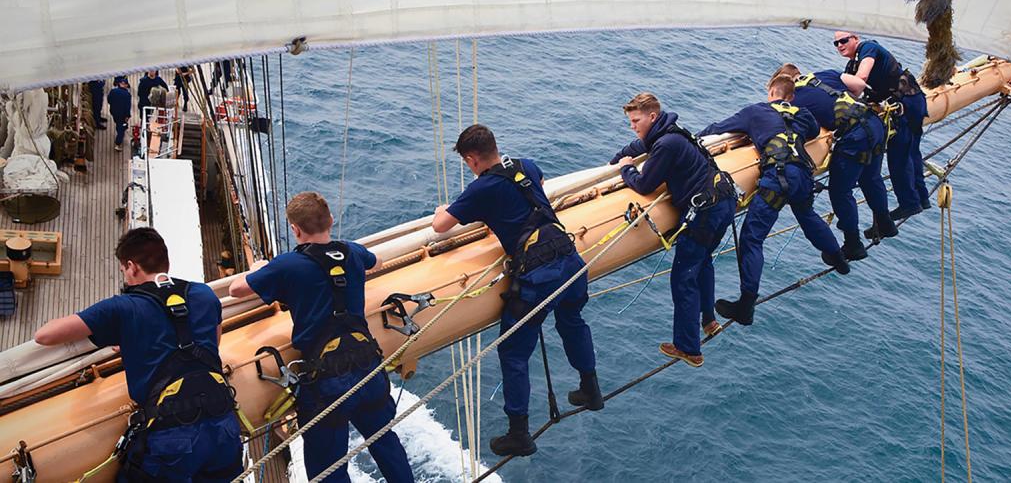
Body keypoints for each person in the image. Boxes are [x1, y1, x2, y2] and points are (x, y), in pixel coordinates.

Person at [433, 124, 603, 457]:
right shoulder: (527, 165)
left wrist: (443, 211)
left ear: (472, 159)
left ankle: (519, 433)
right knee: (572, 322)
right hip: (570, 259)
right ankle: (591, 389)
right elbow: (535, 193)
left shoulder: (482, 189)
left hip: (538, 276)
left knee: (513, 352)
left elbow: (441, 226)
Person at [229, 192, 415, 483]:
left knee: (329, 467)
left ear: (295, 230)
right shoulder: (352, 252)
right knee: (385, 442)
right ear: (330, 220)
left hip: (328, 382)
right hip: (369, 368)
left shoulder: (288, 266)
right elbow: (376, 262)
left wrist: (259, 269)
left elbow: (236, 291)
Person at [34, 228, 243, 481]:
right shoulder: (204, 294)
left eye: (124, 270)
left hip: (172, 439)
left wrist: (128, 336)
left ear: (131, 267)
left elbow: (45, 336)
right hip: (224, 428)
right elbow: (211, 345)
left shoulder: (123, 308)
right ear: (167, 261)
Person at [696, 75, 850, 325]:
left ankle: (746, 306)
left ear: (771, 92)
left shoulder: (754, 112)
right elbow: (811, 131)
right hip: (802, 174)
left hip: (776, 177)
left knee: (751, 238)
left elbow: (717, 128)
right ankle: (838, 258)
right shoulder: (803, 114)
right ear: (791, 96)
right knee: (807, 216)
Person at [609, 93, 736, 364]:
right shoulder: (673, 132)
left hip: (703, 213)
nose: (633, 125)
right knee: (703, 263)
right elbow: (639, 144)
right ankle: (709, 320)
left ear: (652, 117)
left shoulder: (665, 144)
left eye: (636, 120)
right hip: (723, 201)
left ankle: (689, 348)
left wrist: (625, 169)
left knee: (684, 278)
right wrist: (620, 156)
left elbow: (644, 185)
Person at [779, 63, 897, 260]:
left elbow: (811, 129)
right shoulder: (825, 74)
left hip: (856, 137)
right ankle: (885, 223)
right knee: (871, 178)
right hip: (875, 125)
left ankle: (853, 244)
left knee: (841, 192)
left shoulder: (794, 100)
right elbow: (859, 85)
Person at [835, 31, 932, 221]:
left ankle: (910, 203)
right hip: (911, 102)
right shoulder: (852, 64)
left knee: (900, 157)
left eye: (844, 40)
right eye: (836, 43)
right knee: (912, 153)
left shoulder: (868, 48)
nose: (839, 45)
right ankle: (921, 197)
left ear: (855, 38)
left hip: (906, 105)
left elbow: (862, 77)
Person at [107, 76, 132, 151]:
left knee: (118, 123)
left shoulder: (113, 91)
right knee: (121, 128)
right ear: (126, 85)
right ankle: (117, 143)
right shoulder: (127, 95)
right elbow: (128, 107)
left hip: (114, 112)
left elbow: (109, 100)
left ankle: (119, 130)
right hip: (122, 115)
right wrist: (127, 116)